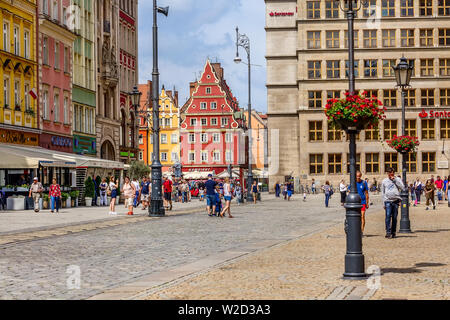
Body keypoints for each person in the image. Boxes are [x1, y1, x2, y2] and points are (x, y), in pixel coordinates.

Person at [381, 168, 404, 239]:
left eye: (392, 174)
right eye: (389, 174)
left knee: (394, 217)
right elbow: (383, 192)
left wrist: (395, 180)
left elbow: (402, 187)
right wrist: (383, 203)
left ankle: (393, 232)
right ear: (387, 174)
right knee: (388, 216)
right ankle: (388, 232)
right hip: (388, 200)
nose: (391, 175)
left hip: (395, 200)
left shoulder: (398, 179)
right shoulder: (384, 181)